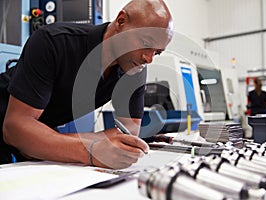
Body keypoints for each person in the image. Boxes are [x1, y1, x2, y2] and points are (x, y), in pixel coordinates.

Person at [0, 0, 173, 169]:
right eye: (145, 44)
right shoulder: (54, 41)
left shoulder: (134, 67)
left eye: (156, 53)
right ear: (121, 21)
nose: (148, 59)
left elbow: (127, 135)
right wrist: (90, 147)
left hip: (40, 129)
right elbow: (14, 128)